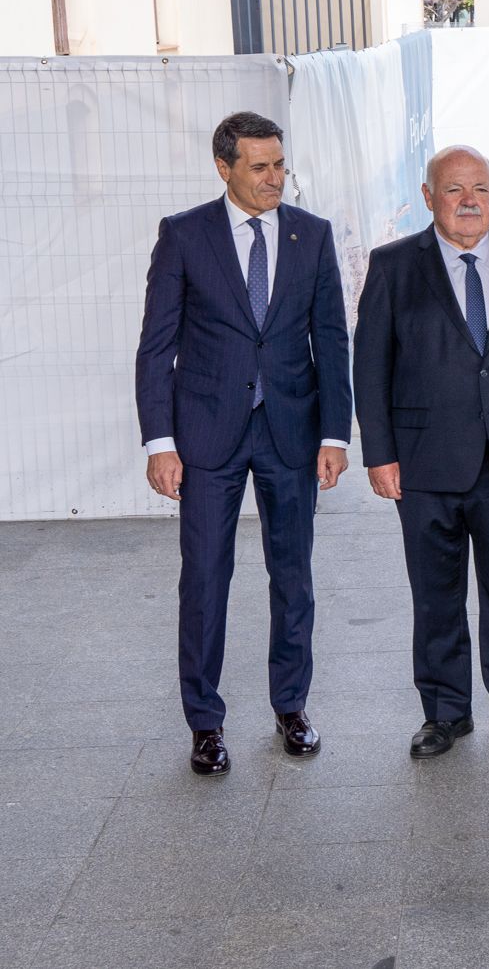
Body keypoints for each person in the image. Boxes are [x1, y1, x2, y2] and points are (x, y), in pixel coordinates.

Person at [135, 111, 352, 776]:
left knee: (293, 577)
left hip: (290, 430)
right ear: (223, 167)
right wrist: (160, 443)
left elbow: (331, 340)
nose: (274, 178)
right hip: (207, 433)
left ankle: (291, 707)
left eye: (280, 164)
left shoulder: (312, 234)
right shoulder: (184, 235)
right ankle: (205, 722)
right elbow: (156, 347)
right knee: (204, 579)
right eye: (259, 167)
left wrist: (335, 433)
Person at [353, 145, 489, 759]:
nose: (469, 200)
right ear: (429, 197)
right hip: (424, 463)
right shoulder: (394, 265)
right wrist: (379, 454)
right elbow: (370, 367)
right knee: (436, 594)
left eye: (480, 188)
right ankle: (444, 712)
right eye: (454, 189)